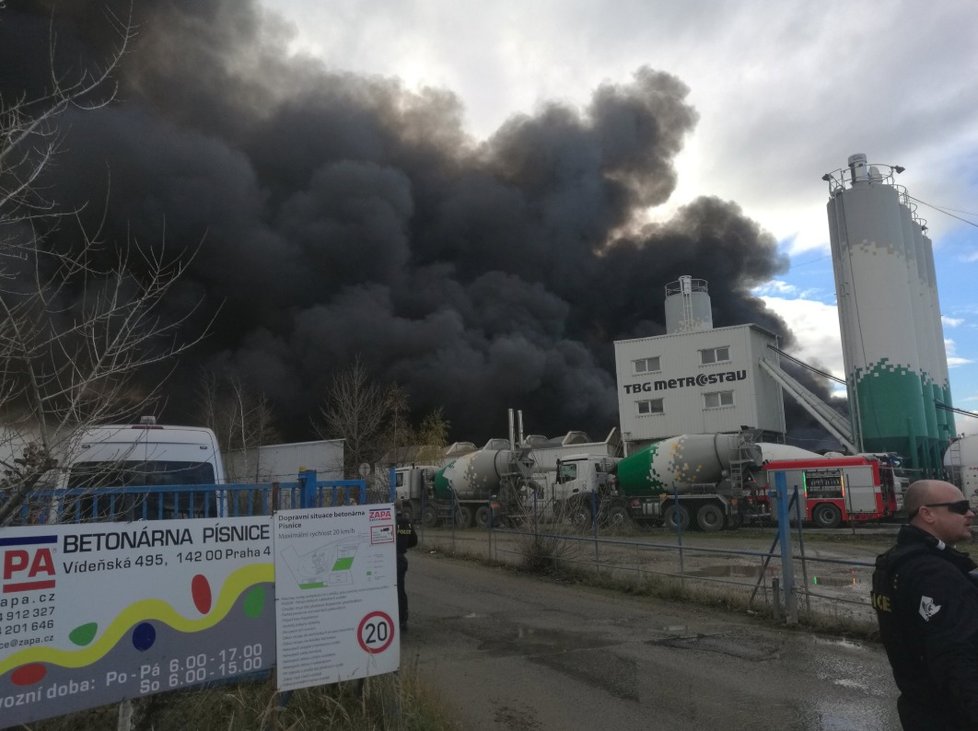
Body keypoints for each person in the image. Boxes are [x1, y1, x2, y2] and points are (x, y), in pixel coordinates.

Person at [872, 479, 978, 729]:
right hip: (951, 715)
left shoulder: (891, 563)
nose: (970, 513)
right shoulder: (934, 573)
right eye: (960, 507)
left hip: (917, 707)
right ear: (927, 514)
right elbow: (956, 659)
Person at [396, 499, 418, 631]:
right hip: (400, 558)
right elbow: (413, 541)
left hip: (389, 559)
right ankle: (402, 620)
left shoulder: (388, 522)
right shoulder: (406, 523)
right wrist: (403, 545)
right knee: (400, 591)